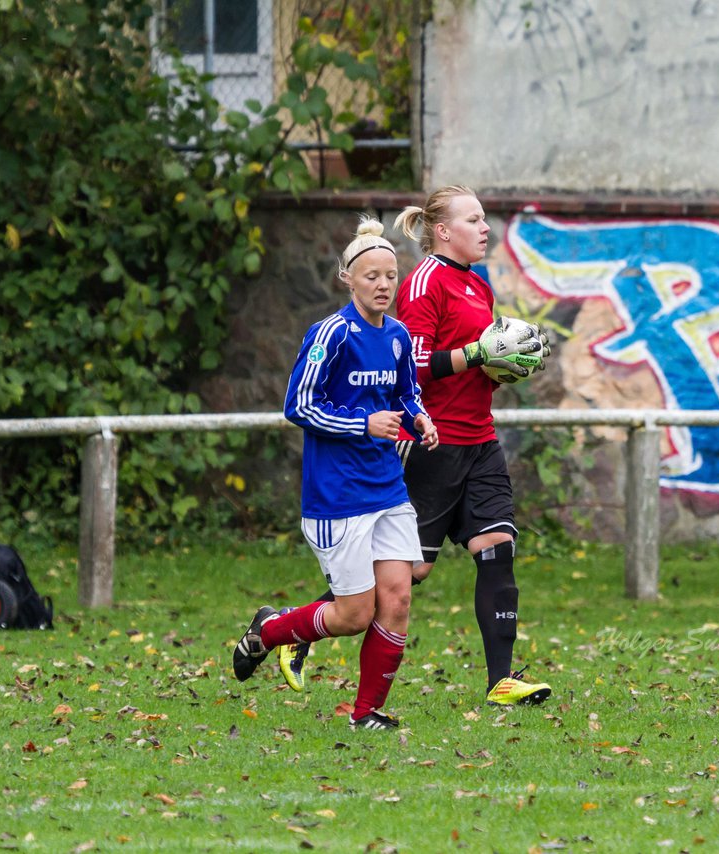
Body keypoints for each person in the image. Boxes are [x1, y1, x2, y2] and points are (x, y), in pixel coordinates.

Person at [279, 187, 553, 707]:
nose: (486, 228)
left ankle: (501, 680)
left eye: (485, 219)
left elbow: (476, 365)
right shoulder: (426, 281)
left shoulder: (479, 285)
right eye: (474, 220)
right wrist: (476, 354)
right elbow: (418, 368)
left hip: (480, 439)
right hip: (433, 443)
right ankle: (302, 633)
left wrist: (504, 366)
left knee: (497, 548)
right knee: (409, 570)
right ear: (443, 231)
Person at [232, 217, 438, 730]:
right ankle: (270, 630)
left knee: (398, 596)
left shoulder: (397, 337)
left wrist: (419, 417)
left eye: (391, 275)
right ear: (348, 278)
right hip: (337, 494)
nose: (383, 285)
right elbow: (298, 405)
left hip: (387, 488)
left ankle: (366, 713)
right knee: (352, 615)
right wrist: (361, 423)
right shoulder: (331, 333)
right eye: (371, 276)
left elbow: (404, 393)